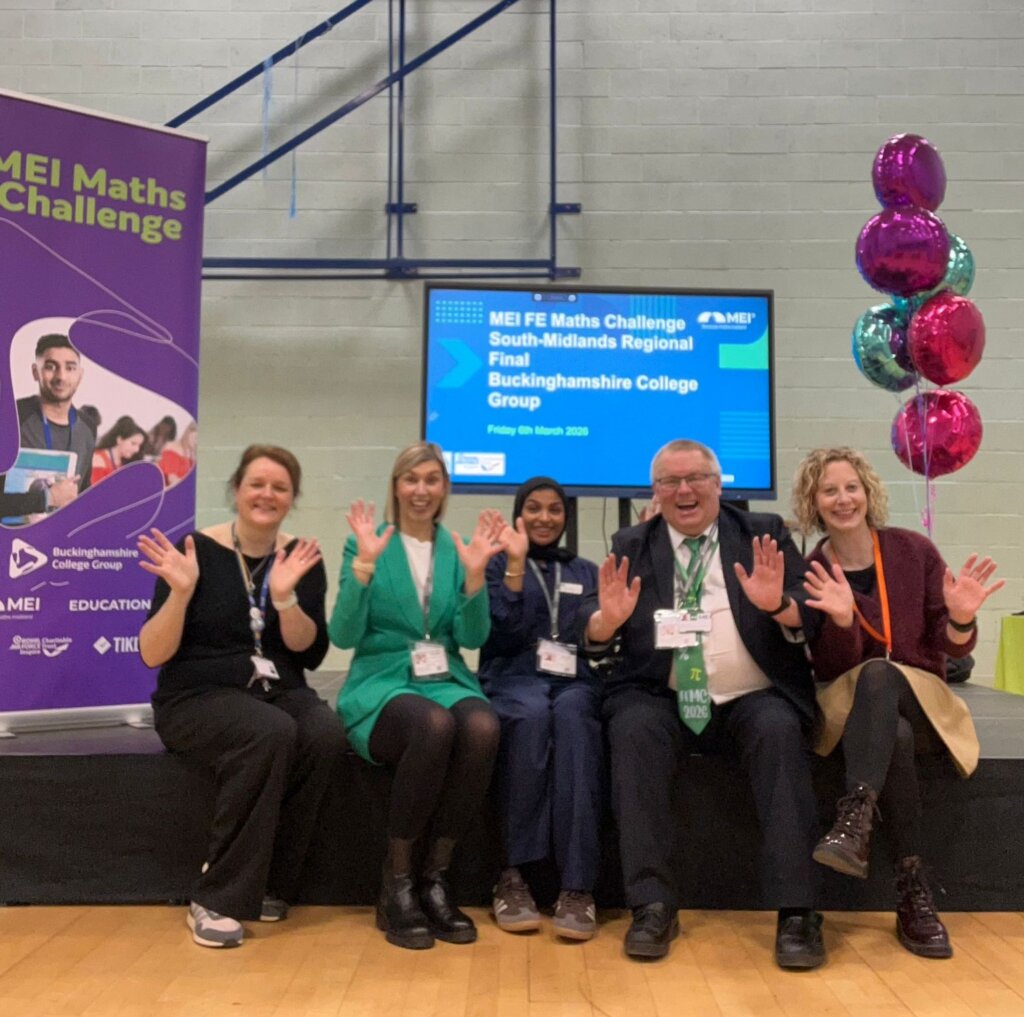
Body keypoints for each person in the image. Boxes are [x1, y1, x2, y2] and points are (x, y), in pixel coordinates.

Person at [583, 438, 825, 968]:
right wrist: (607, 621)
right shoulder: (632, 542)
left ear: (719, 485)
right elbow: (594, 629)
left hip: (750, 694)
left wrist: (778, 604)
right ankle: (651, 905)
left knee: (780, 731)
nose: (683, 490)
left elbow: (811, 608)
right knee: (631, 731)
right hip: (663, 694)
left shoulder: (763, 533)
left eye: (695, 478)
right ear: (656, 492)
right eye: (669, 481)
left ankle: (798, 911)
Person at [792, 447, 1004, 959]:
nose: (843, 499)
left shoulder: (914, 550)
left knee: (887, 678)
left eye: (851, 487)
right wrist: (842, 623)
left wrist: (959, 620)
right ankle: (912, 889)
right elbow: (828, 666)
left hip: (922, 697)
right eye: (830, 490)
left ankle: (854, 819)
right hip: (852, 707)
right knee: (894, 732)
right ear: (814, 503)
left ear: (868, 492)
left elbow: (950, 648)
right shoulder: (814, 569)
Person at [138, 444, 347, 949]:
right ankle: (217, 896)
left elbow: (310, 653)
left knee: (324, 733)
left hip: (277, 689)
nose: (267, 495)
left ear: (291, 499)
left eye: (280, 487)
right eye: (257, 483)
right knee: (268, 730)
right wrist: (182, 593)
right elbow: (151, 653)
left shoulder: (300, 558)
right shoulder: (193, 550)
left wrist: (285, 598)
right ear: (236, 489)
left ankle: (273, 881)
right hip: (196, 696)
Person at [328, 442, 503, 951]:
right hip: (383, 682)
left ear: (444, 488)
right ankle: (397, 882)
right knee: (433, 726)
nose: (421, 490)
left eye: (432, 479)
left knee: (483, 725)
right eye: (412, 479)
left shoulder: (459, 547)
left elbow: (471, 640)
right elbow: (342, 635)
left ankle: (435, 878)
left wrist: (475, 580)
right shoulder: (365, 544)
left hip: (445, 678)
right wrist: (362, 567)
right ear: (396, 486)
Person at [479, 477, 602, 940]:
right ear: (518, 512)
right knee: (529, 718)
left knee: (574, 719)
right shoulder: (494, 565)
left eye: (554, 509)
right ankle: (512, 876)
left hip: (573, 682)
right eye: (534, 508)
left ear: (566, 517)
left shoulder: (586, 571)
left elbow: (596, 635)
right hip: (513, 678)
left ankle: (577, 886)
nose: (544, 518)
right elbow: (496, 636)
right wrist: (513, 566)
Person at [0, 333, 95, 517]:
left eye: (70, 367)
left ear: (80, 375)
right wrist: (47, 498)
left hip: (59, 541)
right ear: (35, 372)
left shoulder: (88, 427)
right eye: (51, 367)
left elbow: (82, 489)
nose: (61, 376)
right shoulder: (9, 417)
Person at [90, 415, 147, 485]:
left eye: (139, 446)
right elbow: (95, 492)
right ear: (119, 440)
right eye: (133, 443)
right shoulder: (98, 460)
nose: (137, 450)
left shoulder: (124, 461)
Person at [158, 420, 198, 487]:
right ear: (188, 433)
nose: (196, 442)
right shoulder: (173, 448)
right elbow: (172, 478)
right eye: (195, 438)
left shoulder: (192, 453)